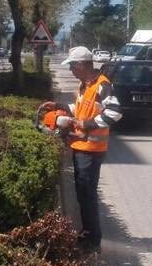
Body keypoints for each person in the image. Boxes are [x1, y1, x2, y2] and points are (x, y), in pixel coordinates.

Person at [45, 46, 122, 250]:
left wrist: (88, 124)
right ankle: (87, 233)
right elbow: (80, 109)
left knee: (87, 194)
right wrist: (61, 107)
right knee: (83, 193)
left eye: (72, 66)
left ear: (81, 65)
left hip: (91, 150)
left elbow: (114, 112)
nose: (71, 70)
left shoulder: (101, 85)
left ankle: (91, 238)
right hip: (81, 146)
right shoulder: (84, 85)